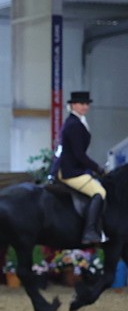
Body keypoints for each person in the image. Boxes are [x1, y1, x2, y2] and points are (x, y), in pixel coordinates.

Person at [57, 91, 106, 244]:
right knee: (99, 192)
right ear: (72, 105)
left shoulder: (79, 121)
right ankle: (90, 232)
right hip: (71, 171)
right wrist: (99, 168)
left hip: (76, 168)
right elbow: (79, 155)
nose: (84, 106)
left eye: (86, 104)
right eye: (81, 104)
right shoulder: (74, 125)